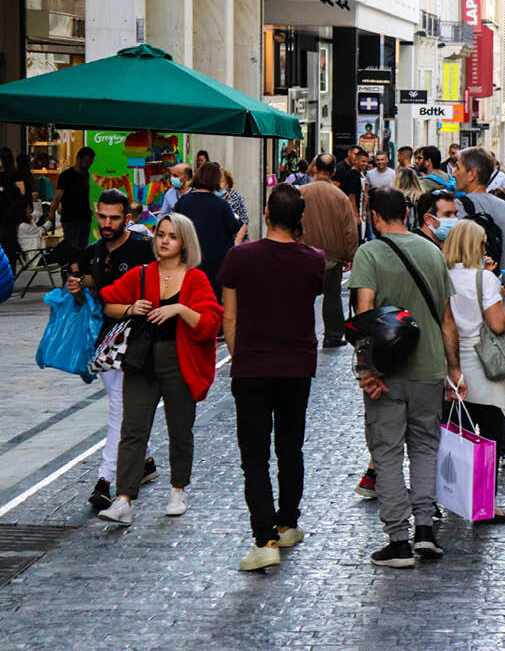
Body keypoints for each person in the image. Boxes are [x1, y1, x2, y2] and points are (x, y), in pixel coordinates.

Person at [349, 187, 463, 569]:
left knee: (387, 452)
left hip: (388, 372)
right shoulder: (431, 251)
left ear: (375, 217)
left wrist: (367, 370)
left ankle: (398, 540)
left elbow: (365, 314)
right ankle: (426, 531)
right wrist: (453, 368)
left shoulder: (369, 253)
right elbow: (447, 319)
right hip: (429, 367)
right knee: (425, 448)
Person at [220, 184, 325, 571]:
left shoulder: (239, 257)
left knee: (255, 456)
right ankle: (288, 522)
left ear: (266, 214)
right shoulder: (313, 259)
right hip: (296, 367)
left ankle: (263, 538)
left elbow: (229, 317)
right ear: (300, 220)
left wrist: (240, 354)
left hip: (252, 366)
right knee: (290, 448)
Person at [96, 213, 224, 524]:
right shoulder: (142, 274)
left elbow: (209, 323)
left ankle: (178, 490)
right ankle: (123, 499)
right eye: (160, 235)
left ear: (184, 243)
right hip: (142, 360)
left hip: (180, 360)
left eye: (172, 236)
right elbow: (107, 302)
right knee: (133, 429)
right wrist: (130, 308)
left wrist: (180, 308)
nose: (164, 241)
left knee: (180, 429)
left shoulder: (195, 279)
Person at [67, 189, 158, 511]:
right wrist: (78, 287)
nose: (107, 223)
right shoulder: (93, 252)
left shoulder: (144, 250)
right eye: (102, 216)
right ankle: (145, 461)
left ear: (128, 219)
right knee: (122, 406)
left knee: (119, 411)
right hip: (104, 345)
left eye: (114, 218)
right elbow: (92, 294)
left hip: (135, 344)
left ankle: (105, 480)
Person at [442, 220, 505, 521]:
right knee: (490, 437)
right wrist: (497, 291)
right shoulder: (484, 280)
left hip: (451, 364)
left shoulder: (443, 276)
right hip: (483, 366)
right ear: (477, 246)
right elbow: (498, 323)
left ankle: (453, 496)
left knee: (456, 434)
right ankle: (485, 503)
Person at [451, 147, 505, 293]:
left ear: (471, 174)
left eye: (458, 168)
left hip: (464, 294)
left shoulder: (456, 208)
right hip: (497, 294)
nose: (453, 174)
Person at [299, 154, 359, 348]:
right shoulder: (339, 196)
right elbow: (350, 229)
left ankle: (301, 332)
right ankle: (333, 334)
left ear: (315, 168)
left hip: (304, 253)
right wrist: (350, 255)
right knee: (332, 296)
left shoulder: (302, 192)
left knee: (303, 295)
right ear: (333, 171)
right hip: (332, 255)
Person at [173, 162, 244, 301]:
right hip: (215, 263)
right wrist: (239, 219)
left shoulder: (183, 202)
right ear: (215, 180)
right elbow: (234, 227)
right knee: (212, 300)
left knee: (189, 299)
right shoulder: (221, 205)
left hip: (189, 260)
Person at [49, 147, 96, 255]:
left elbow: (84, 195)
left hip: (84, 218)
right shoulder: (66, 175)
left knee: (82, 249)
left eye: (91, 162)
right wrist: (51, 214)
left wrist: (89, 210)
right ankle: (68, 271)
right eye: (87, 161)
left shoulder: (86, 174)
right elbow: (57, 196)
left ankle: (79, 270)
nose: (89, 165)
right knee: (71, 248)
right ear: (78, 159)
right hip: (70, 218)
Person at [221, 169, 249, 241]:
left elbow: (244, 220)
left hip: (236, 239)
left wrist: (237, 242)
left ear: (227, 184)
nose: (218, 184)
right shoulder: (212, 197)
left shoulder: (236, 197)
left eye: (221, 181)